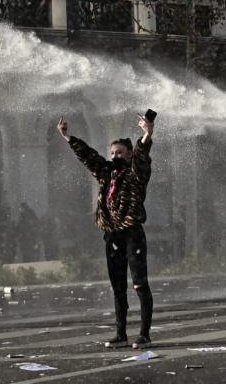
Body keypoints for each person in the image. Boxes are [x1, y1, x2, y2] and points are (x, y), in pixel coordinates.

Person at [57, 113, 154, 349]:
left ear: (129, 154)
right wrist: (68, 137)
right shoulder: (107, 173)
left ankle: (144, 334)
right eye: (112, 153)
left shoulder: (136, 173)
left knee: (139, 283)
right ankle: (121, 334)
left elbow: (142, 156)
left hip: (132, 233)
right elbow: (89, 157)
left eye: (120, 153)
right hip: (112, 234)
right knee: (117, 284)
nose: (115, 156)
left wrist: (147, 134)